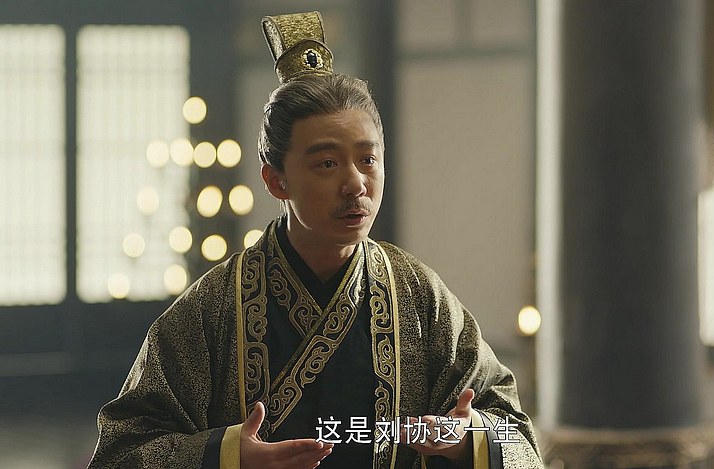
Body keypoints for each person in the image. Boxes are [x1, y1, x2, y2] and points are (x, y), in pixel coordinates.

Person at [88, 11, 542, 469]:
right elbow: (121, 452)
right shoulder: (215, 308)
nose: (355, 184)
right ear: (276, 180)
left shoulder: (419, 295)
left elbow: (516, 431)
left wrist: (464, 439)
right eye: (327, 163)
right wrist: (227, 456)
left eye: (367, 160)